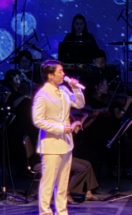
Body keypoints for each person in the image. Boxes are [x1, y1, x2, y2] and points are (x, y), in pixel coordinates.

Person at [32, 60, 85, 215]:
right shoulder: (42, 95)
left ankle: (61, 211)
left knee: (62, 183)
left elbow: (80, 104)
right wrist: (60, 129)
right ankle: (45, 212)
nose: (63, 74)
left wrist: (75, 89)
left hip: (66, 143)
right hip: (50, 144)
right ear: (50, 75)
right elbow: (38, 120)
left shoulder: (63, 90)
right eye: (60, 71)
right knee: (48, 182)